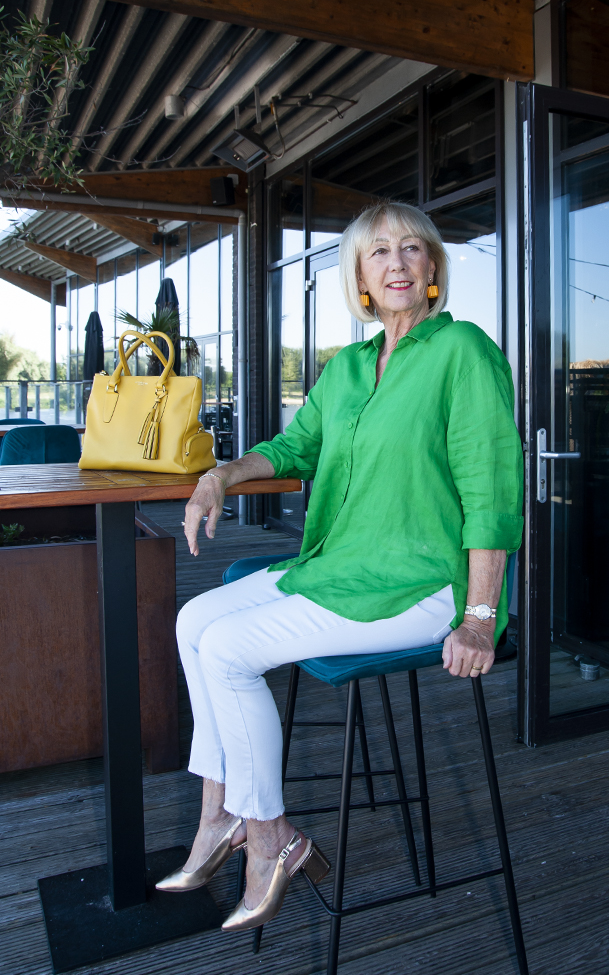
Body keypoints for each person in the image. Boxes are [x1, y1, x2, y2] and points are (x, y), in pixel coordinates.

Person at [156, 201, 524, 934]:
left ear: (430, 272)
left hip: (423, 585)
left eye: (412, 249)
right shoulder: (349, 368)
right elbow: (291, 450)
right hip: (343, 567)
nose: (396, 262)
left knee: (228, 649)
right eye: (379, 251)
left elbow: (491, 488)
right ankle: (218, 817)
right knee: (193, 617)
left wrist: (479, 617)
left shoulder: (464, 353)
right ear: (358, 274)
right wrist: (221, 476)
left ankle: (269, 838)